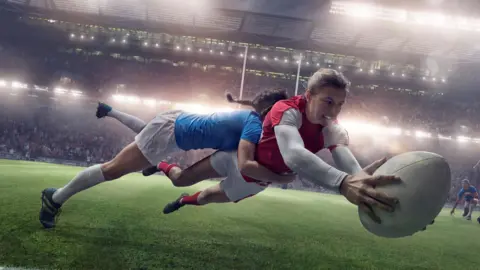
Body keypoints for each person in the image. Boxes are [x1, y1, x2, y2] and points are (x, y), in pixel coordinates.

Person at [158, 69, 402, 224]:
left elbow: (342, 153)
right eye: (328, 101)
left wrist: (361, 179)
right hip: (236, 160)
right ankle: (159, 164)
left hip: (253, 181)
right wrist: (342, 182)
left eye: (340, 104)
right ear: (308, 95)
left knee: (207, 197)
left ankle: (182, 201)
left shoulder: (332, 126)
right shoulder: (285, 109)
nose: (334, 110)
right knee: (180, 178)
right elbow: (293, 153)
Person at [39, 89, 291, 228]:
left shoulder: (255, 117)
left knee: (144, 136)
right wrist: (280, 176)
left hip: (176, 124)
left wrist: (238, 100)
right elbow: (248, 161)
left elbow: (259, 104)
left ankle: (115, 117)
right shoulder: (256, 125)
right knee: (113, 169)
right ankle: (55, 197)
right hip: (171, 132)